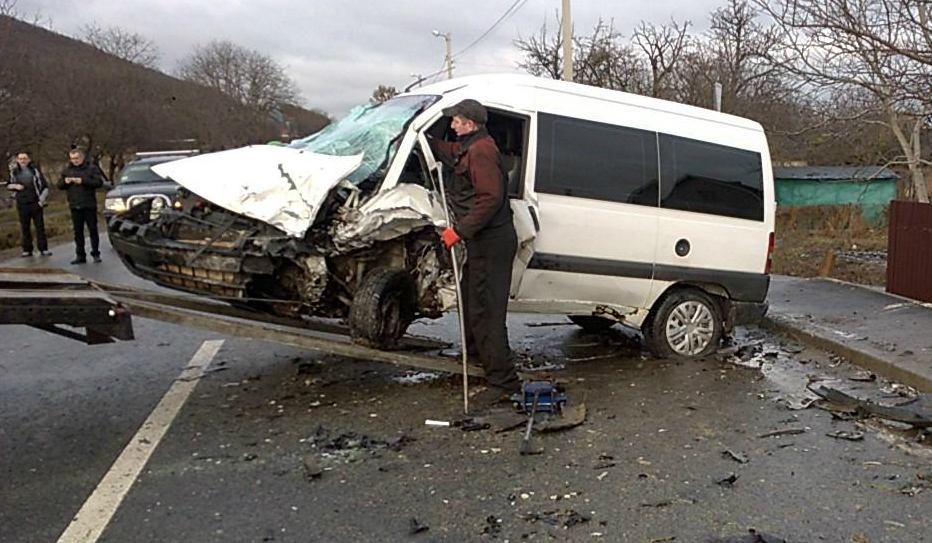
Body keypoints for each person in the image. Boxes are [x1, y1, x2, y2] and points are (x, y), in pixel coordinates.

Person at [429, 99, 520, 405]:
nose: (452, 125)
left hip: (492, 242)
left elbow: (490, 198)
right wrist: (424, 139)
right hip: (482, 242)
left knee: (487, 311)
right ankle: (480, 360)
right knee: (471, 302)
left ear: (469, 123)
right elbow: (450, 153)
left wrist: (459, 231)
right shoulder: (470, 146)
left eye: (456, 120)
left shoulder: (482, 151)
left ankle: (503, 381)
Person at [58, 148, 104, 264]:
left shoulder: (91, 168)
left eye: (77, 158)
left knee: (92, 230)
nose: (75, 161)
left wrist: (83, 181)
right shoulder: (67, 170)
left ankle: (95, 253)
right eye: (72, 158)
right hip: (74, 205)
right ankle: (80, 255)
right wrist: (65, 182)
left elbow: (98, 182)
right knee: (78, 232)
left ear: (82, 158)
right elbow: (59, 185)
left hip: (89, 204)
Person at [6, 151, 51, 257]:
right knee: (25, 228)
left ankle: (43, 249)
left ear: (29, 160)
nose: (22, 161)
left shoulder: (35, 171)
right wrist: (14, 187)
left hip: (35, 202)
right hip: (22, 203)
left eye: (24, 158)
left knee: (40, 227)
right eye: (20, 159)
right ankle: (27, 250)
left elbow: (44, 187)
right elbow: (9, 185)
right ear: (17, 160)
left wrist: (41, 201)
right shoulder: (14, 172)